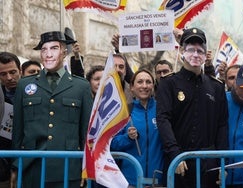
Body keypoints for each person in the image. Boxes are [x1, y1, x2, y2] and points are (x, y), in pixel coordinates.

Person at [11, 31, 93, 188]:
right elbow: (18, 130)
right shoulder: (24, 85)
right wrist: (15, 166)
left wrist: (85, 167)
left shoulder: (81, 86)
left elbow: (85, 132)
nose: (48, 54)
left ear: (64, 52)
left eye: (54, 48)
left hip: (68, 168)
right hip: (31, 167)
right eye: (44, 49)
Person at [156, 27, 229, 188]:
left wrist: (222, 162)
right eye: (190, 49)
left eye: (200, 50)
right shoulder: (168, 83)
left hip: (208, 163)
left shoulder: (216, 87)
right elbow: (163, 120)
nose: (195, 54)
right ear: (182, 50)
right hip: (179, 161)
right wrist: (174, 153)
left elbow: (222, 126)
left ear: (205, 54)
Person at [111, 69, 163, 187]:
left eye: (148, 82)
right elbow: (113, 143)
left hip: (158, 180)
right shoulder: (124, 112)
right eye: (140, 82)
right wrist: (127, 138)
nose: (144, 86)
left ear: (153, 86)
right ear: (132, 88)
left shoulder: (162, 110)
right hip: (131, 181)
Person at [0, 52, 21, 188]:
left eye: (13, 72)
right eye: (3, 74)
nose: (9, 78)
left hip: (26, 159)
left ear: (20, 71)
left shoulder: (33, 94)